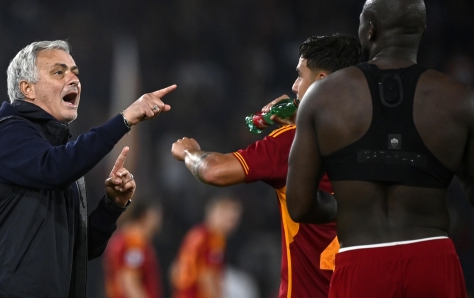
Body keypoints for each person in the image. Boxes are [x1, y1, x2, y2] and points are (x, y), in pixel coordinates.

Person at [0, 40, 176, 298]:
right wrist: (124, 120)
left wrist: (112, 205)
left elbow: (81, 249)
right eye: (58, 72)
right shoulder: (4, 132)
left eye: (75, 72)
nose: (73, 79)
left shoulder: (57, 156)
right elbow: (53, 168)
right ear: (27, 88)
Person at [286, 1, 471, 297]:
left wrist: (344, 205)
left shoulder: (323, 97)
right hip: (433, 260)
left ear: (369, 30)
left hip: (361, 262)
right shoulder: (460, 98)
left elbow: (299, 204)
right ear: (421, 31)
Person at [171, 34, 361, 297]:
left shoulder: (294, 143)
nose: (295, 86)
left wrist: (189, 153)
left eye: (300, 76)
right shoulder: (375, 137)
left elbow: (213, 170)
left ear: (321, 81)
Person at [170, 195, 243, 298]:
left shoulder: (195, 234)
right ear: (216, 212)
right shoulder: (211, 240)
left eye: (235, 219)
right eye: (230, 219)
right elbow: (207, 278)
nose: (233, 224)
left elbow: (174, 270)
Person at [103, 199, 163, 298]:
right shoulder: (135, 242)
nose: (159, 220)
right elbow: (129, 281)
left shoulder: (122, 237)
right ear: (145, 215)